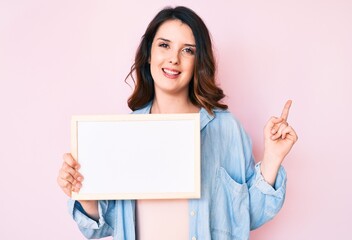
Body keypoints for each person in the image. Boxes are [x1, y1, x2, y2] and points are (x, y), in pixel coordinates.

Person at [57, 6, 298, 240]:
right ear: (149, 53)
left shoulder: (226, 129)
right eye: (164, 45)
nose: (174, 58)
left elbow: (248, 216)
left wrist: (272, 159)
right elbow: (103, 226)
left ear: (198, 61)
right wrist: (83, 191)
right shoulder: (123, 133)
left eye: (188, 50)